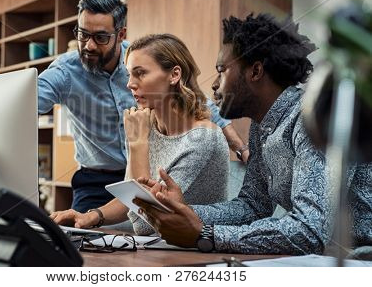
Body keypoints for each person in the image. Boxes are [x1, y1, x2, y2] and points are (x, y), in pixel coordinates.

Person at [134, 13, 372, 254]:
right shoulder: (261, 127)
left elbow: (309, 230)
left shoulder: (311, 119)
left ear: (256, 71)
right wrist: (185, 211)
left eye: (222, 70)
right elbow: (252, 206)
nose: (214, 85)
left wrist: (205, 235)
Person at [38, 0, 247, 213]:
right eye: (83, 34)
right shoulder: (65, 72)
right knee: (80, 240)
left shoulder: (141, 59)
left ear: (120, 35)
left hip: (146, 170)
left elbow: (200, 102)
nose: (88, 45)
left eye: (100, 37)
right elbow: (26, 104)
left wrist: (241, 147)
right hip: (94, 182)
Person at [50, 33, 230, 233]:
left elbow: (144, 223)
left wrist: (137, 143)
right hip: (160, 246)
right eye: (129, 75)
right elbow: (131, 195)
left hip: (195, 252)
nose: (130, 84)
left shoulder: (204, 139)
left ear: (174, 75)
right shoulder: (147, 125)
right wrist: (92, 216)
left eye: (140, 73)